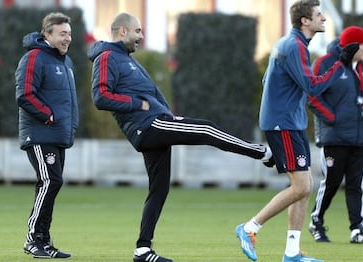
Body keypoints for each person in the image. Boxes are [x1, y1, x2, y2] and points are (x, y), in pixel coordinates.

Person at [87, 12, 274, 262]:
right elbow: (100, 97)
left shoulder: (126, 59)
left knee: (159, 189)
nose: (141, 36)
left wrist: (162, 111)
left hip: (154, 124)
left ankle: (142, 249)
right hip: (148, 125)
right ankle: (262, 152)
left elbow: (145, 95)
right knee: (207, 130)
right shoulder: (107, 57)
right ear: (122, 31)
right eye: (138, 31)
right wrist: (138, 105)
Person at [234, 1, 360, 262]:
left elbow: (268, 80)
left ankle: (292, 252)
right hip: (283, 124)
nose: (323, 18)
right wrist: (341, 64)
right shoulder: (294, 46)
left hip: (291, 122)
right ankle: (249, 228)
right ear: (305, 21)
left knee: (306, 186)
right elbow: (312, 86)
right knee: (302, 186)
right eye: (318, 15)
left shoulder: (292, 44)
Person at [15, 12, 78, 259]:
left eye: (69, 34)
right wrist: (49, 116)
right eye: (62, 34)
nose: (67, 39)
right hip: (40, 134)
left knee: (51, 184)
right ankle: (33, 239)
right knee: (50, 181)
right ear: (47, 35)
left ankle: (44, 240)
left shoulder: (65, 62)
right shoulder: (34, 57)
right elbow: (25, 95)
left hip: (58, 135)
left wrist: (69, 126)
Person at [307, 26, 363, 244]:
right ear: (353, 45)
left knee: (356, 185)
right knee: (332, 182)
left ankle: (357, 229)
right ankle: (316, 222)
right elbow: (312, 95)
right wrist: (332, 118)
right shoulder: (326, 63)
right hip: (335, 137)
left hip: (360, 137)